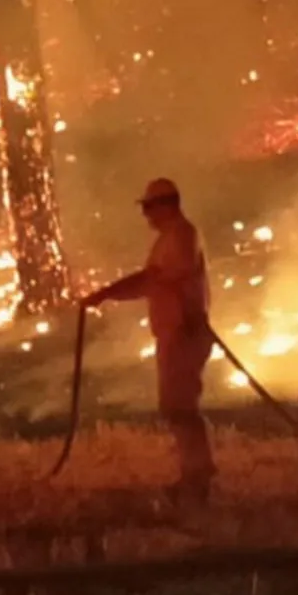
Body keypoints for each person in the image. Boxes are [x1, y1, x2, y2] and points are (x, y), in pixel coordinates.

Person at [80, 178, 215, 504]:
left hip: (184, 334)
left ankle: (197, 478)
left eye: (149, 207)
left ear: (166, 205)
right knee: (176, 407)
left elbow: (152, 280)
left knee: (180, 408)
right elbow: (152, 282)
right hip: (175, 333)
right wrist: (107, 295)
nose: (146, 215)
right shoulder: (170, 238)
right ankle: (194, 474)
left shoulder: (181, 236)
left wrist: (106, 293)